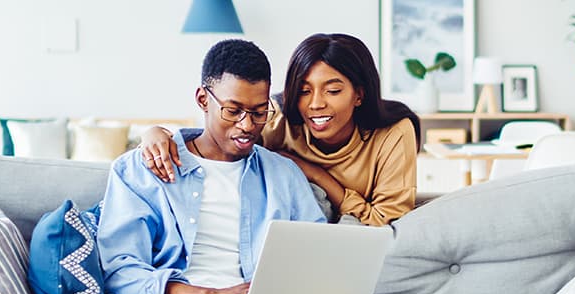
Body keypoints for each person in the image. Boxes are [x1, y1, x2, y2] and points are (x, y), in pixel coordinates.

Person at [96, 39, 328, 294]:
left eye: (258, 112)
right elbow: (119, 274)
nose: (247, 125)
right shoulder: (143, 168)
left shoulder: (283, 175)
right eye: (233, 111)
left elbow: (318, 258)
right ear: (203, 100)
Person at [135, 33, 420, 226]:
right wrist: (157, 133)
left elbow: (389, 225)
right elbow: (218, 139)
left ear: (359, 94)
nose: (315, 104)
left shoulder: (393, 133)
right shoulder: (276, 116)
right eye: (304, 91)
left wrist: (313, 172)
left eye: (332, 91)